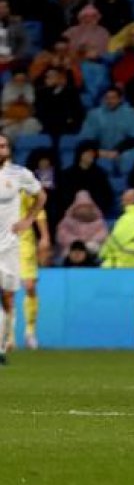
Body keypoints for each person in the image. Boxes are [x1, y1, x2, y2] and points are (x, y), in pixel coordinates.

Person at [0, 135, 46, 363]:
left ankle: (5, 343)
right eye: (0, 146)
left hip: (10, 245)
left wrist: (28, 220)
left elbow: (41, 196)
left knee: (9, 297)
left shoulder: (19, 174)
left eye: (5, 145)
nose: (3, 149)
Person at [15, 172, 49, 349]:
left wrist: (44, 236)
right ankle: (7, 337)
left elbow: (38, 209)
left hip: (22, 240)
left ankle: (30, 332)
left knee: (29, 286)